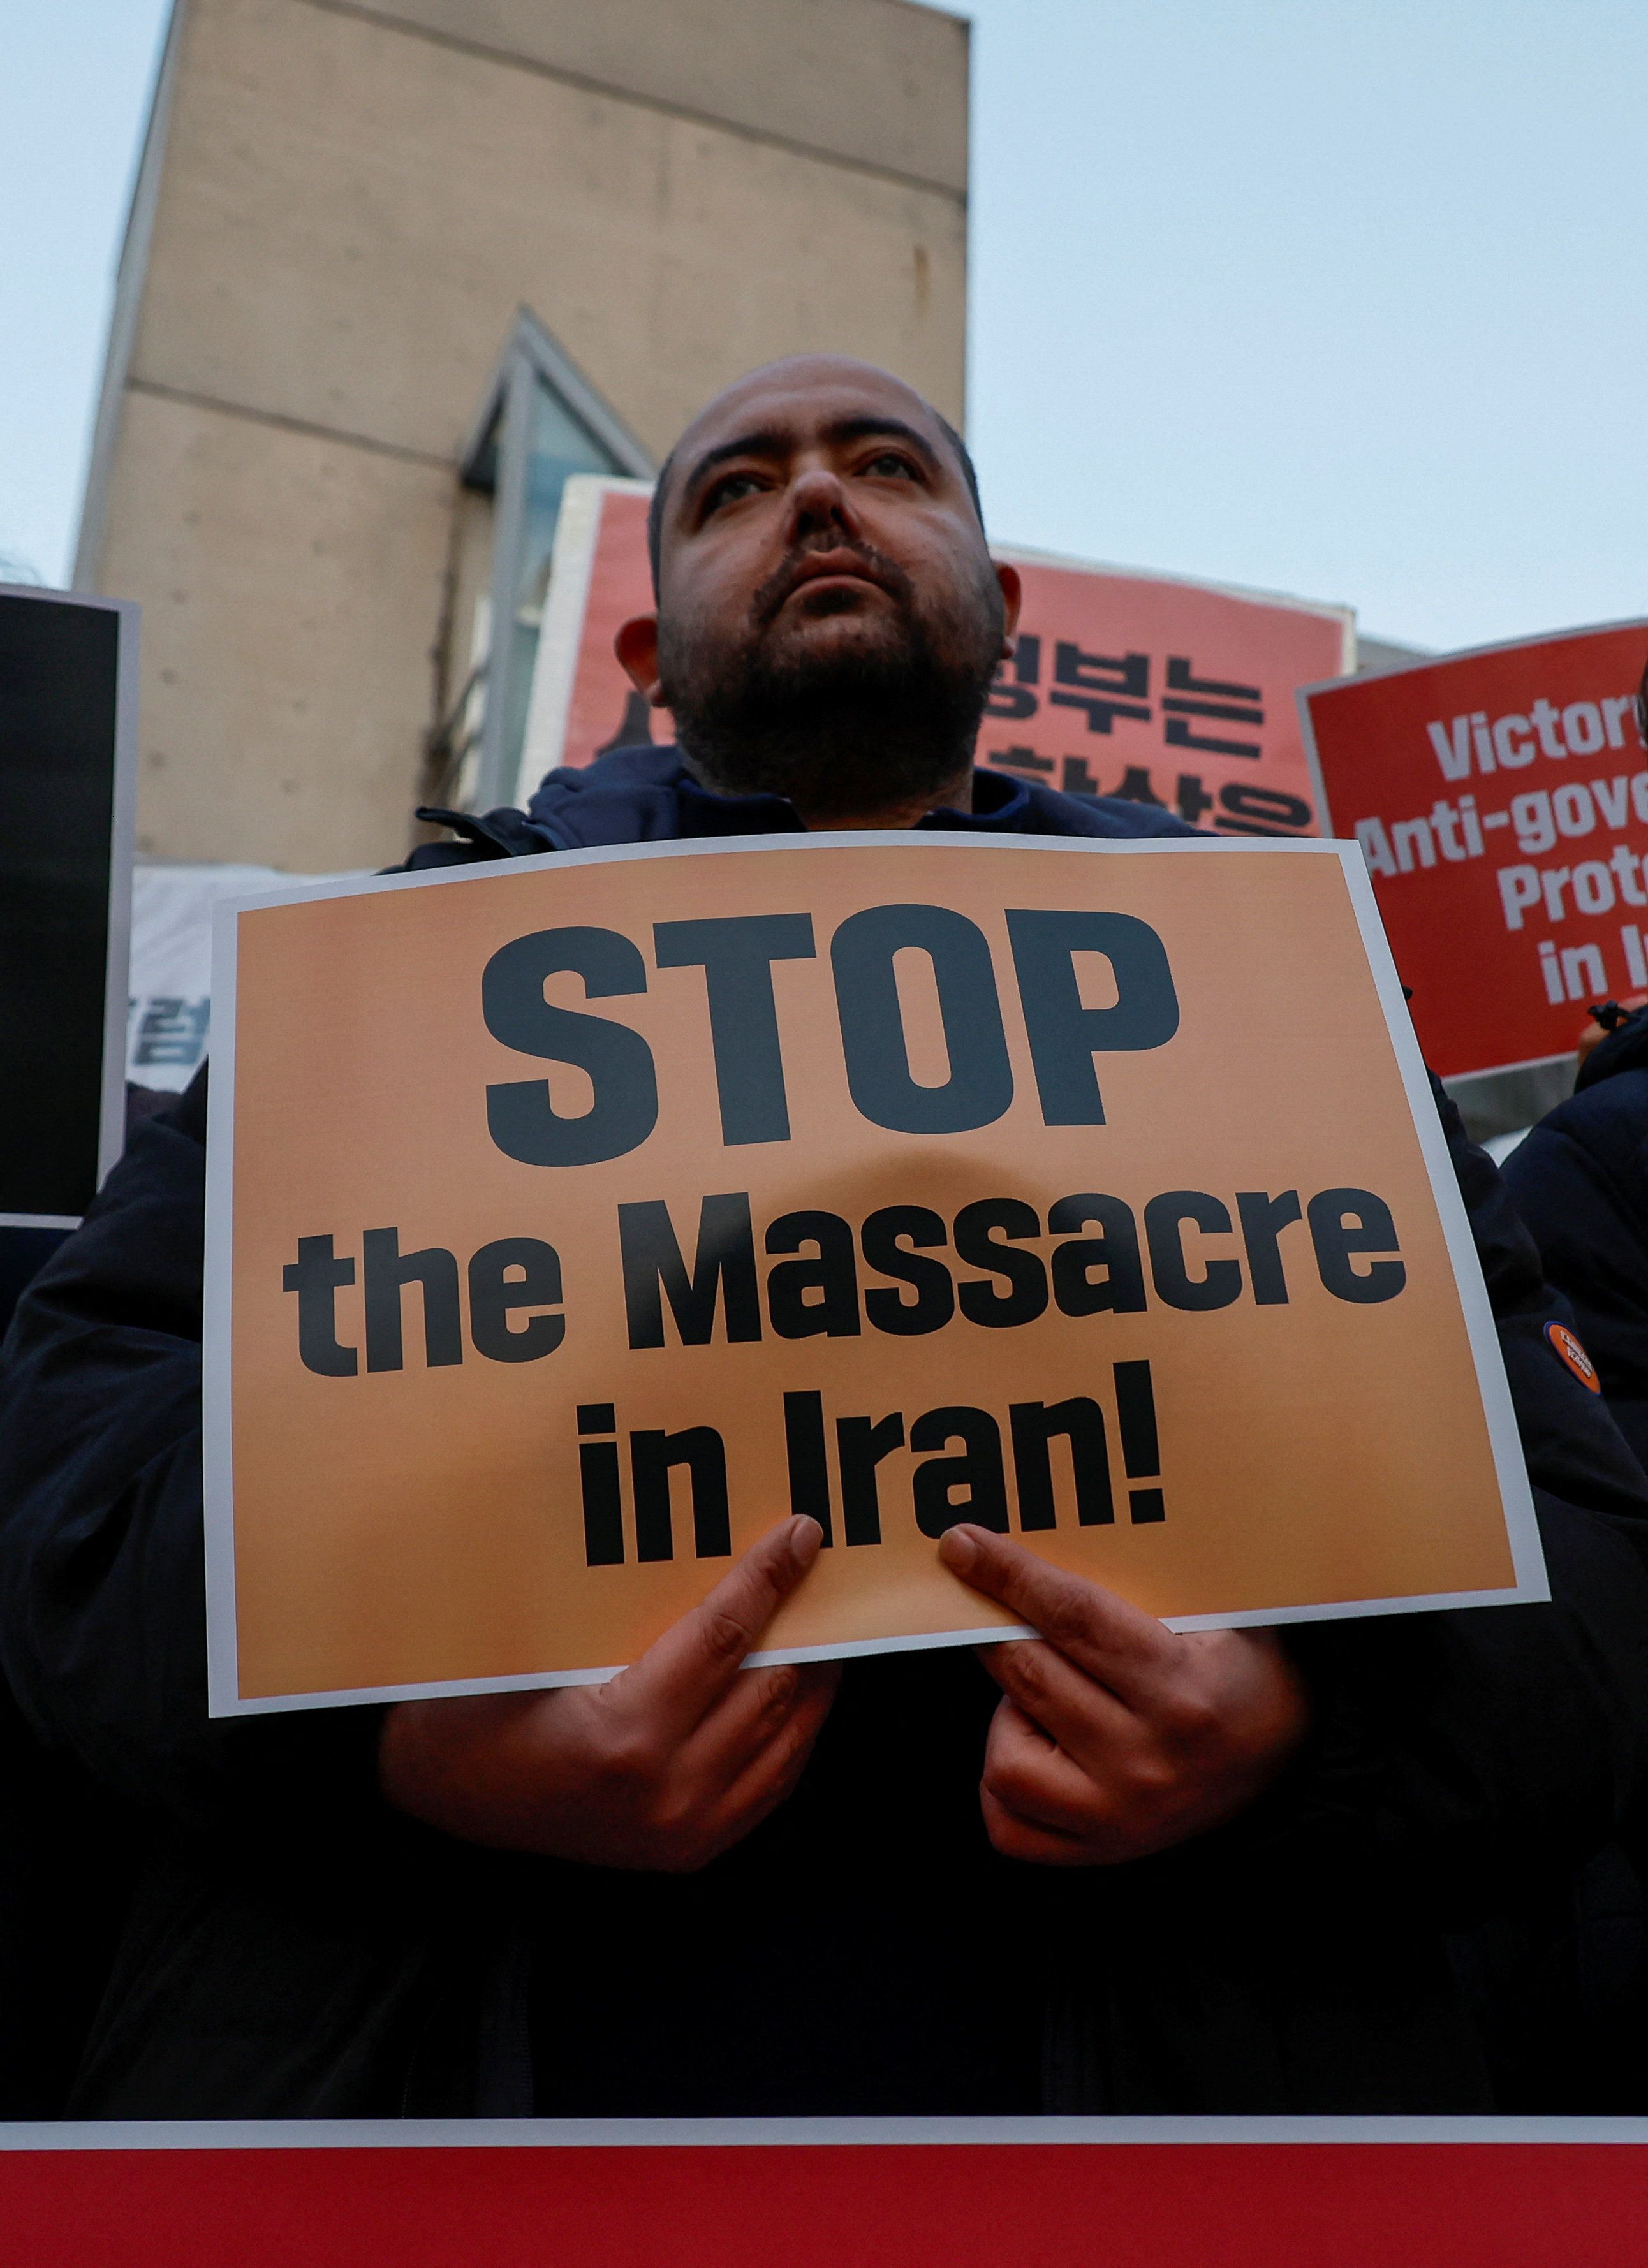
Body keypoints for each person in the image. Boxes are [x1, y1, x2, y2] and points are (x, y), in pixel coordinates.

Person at [4, 358, 1648, 2118]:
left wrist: (1299, 1738)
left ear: (1002, 609)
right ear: (650, 653)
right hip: (429, 2137)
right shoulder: (395, 980)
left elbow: (1583, 1574)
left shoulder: (1270, 989)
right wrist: (395, 1753)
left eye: (887, 465)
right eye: (736, 488)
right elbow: (73, 1484)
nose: (815, 498)